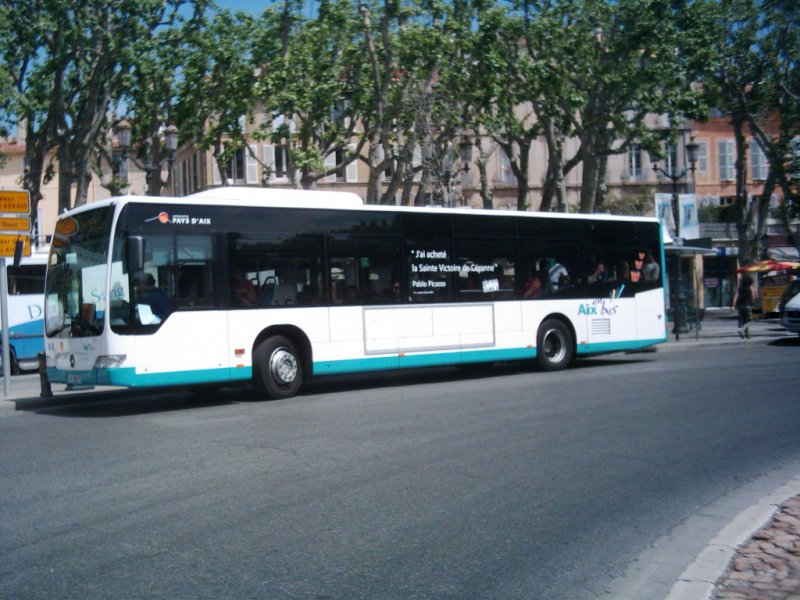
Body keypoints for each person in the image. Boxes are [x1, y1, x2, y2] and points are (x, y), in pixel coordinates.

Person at [731, 273, 757, 338]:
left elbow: (736, 296)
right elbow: (753, 297)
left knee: (742, 319)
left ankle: (746, 333)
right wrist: (754, 296)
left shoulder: (740, 288)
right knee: (749, 319)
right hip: (747, 305)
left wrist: (733, 306)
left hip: (740, 306)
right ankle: (743, 330)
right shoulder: (750, 287)